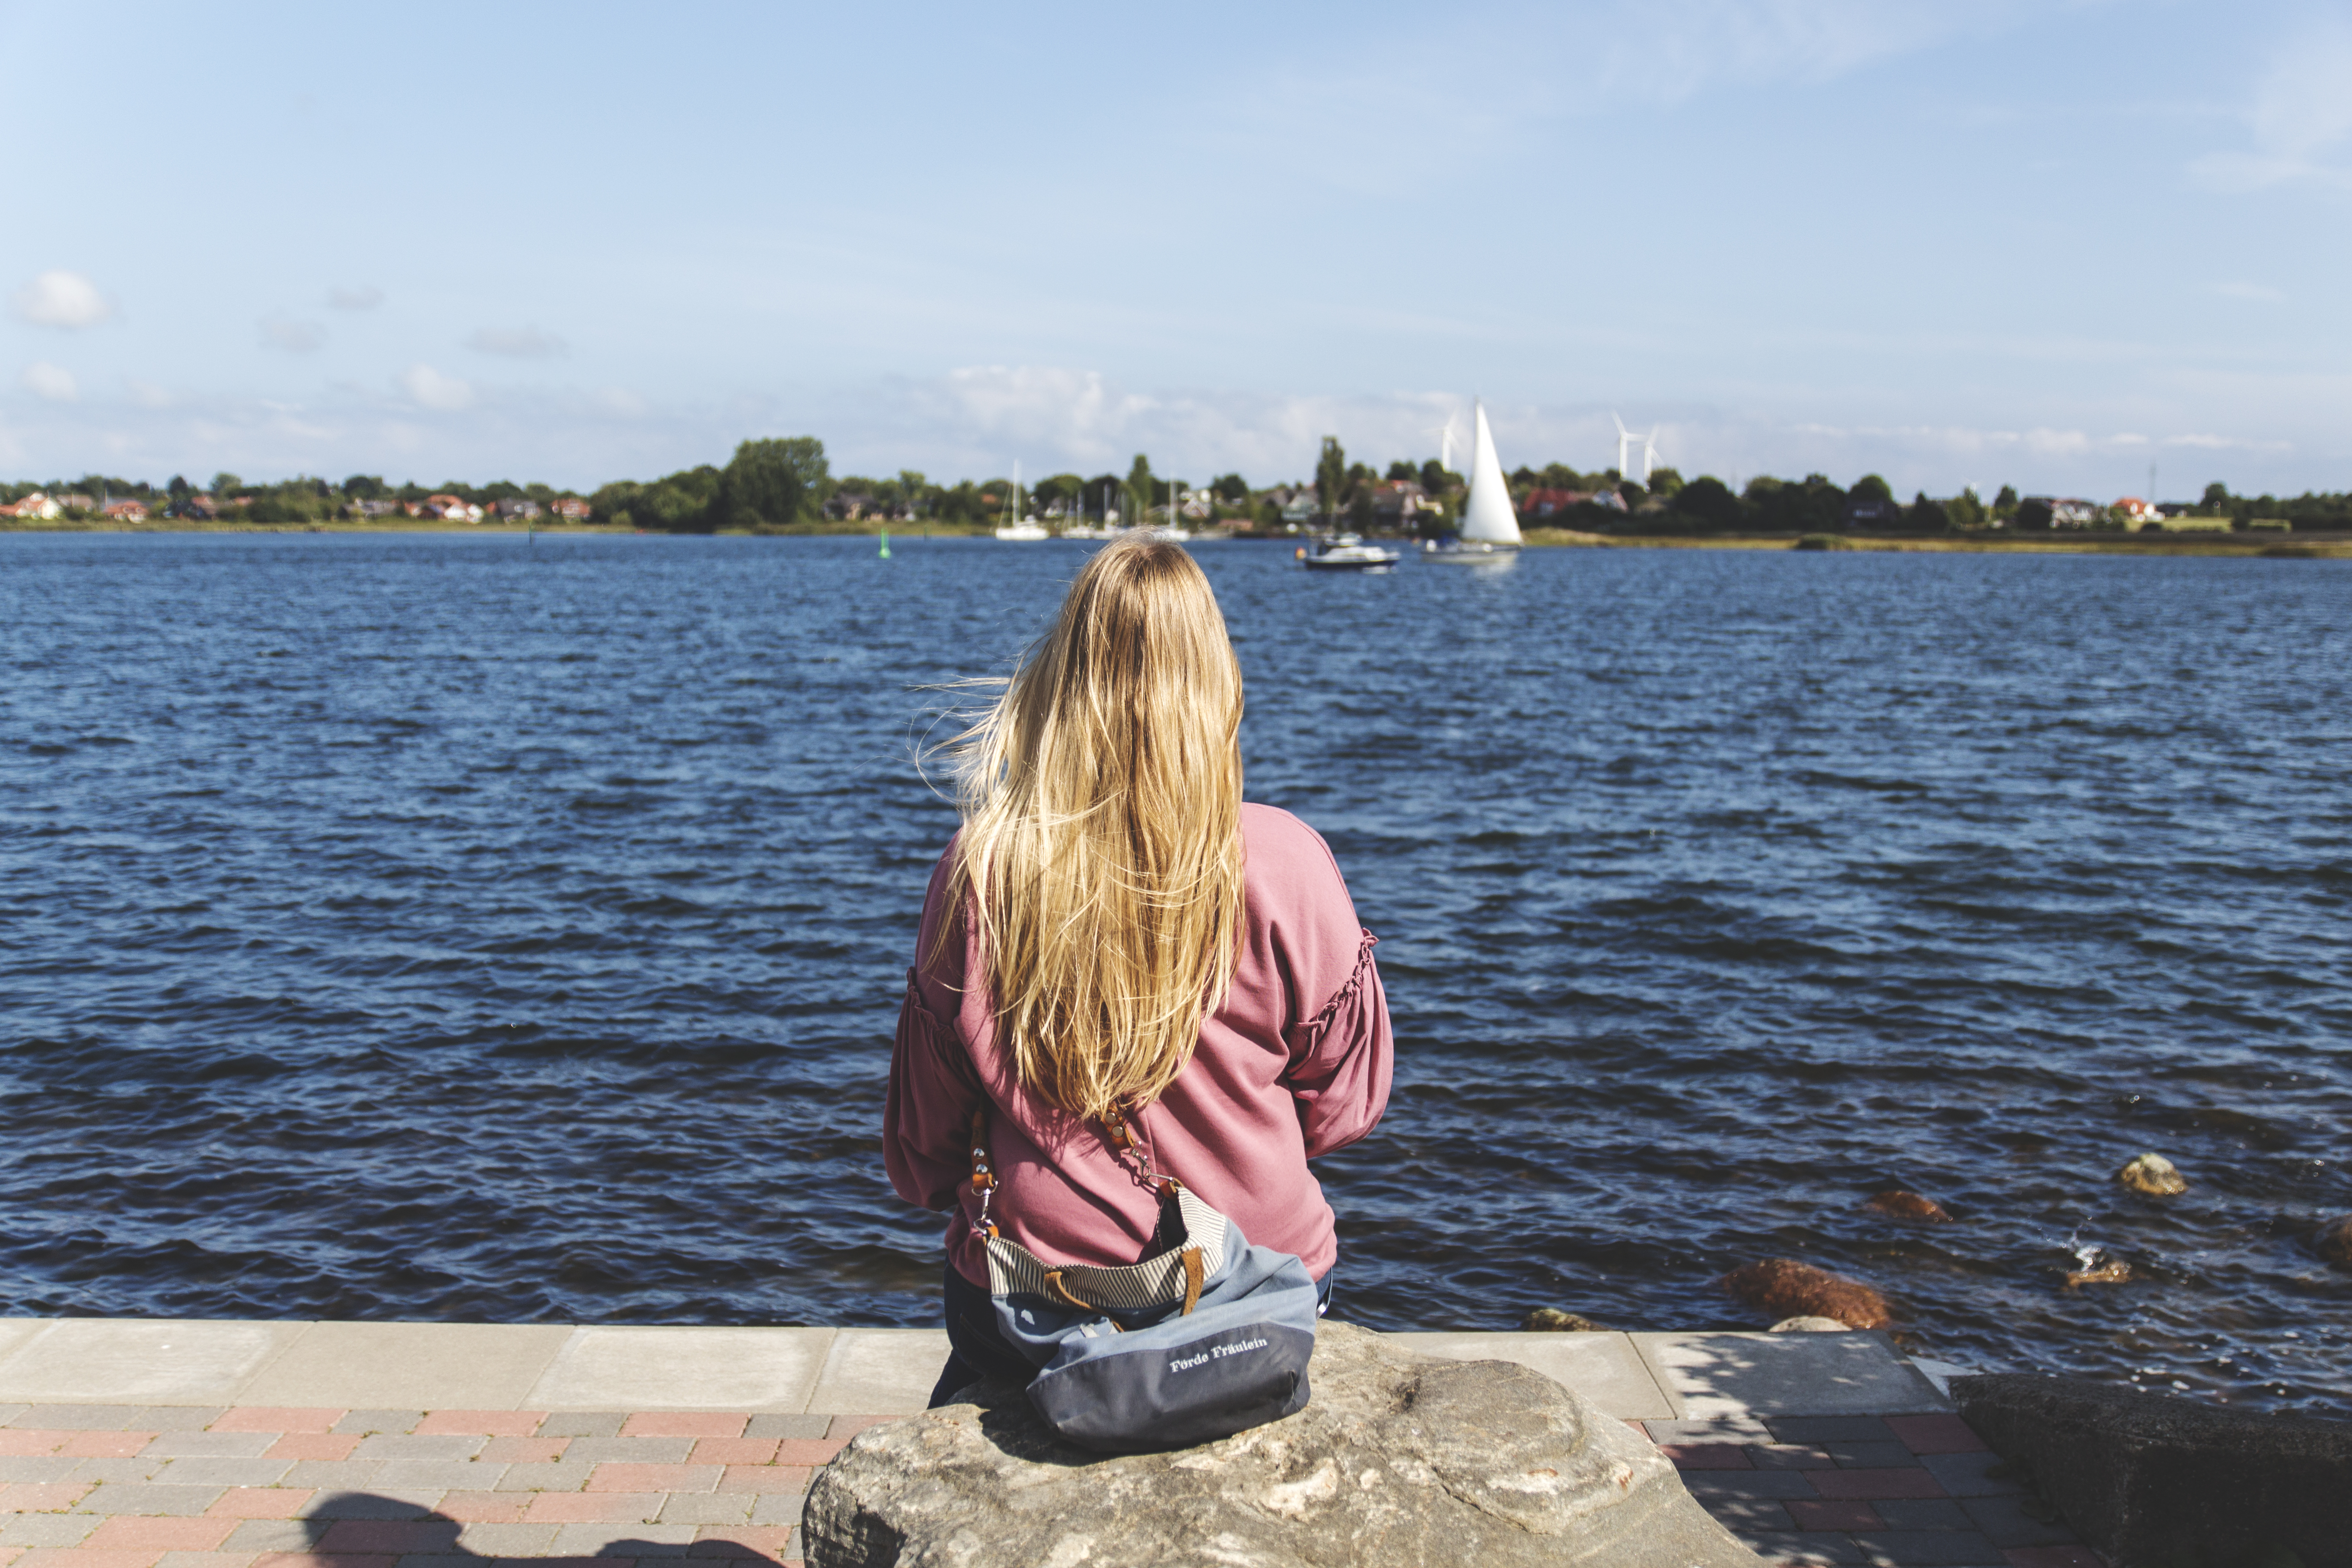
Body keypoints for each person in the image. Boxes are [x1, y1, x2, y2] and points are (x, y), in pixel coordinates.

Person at [884, 534, 1393, 1407]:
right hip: (1260, 1289)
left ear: (1062, 680)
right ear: (1217, 687)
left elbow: (922, 1153)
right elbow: (1347, 1108)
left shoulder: (982, 868)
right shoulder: (1288, 860)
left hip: (1036, 1301)